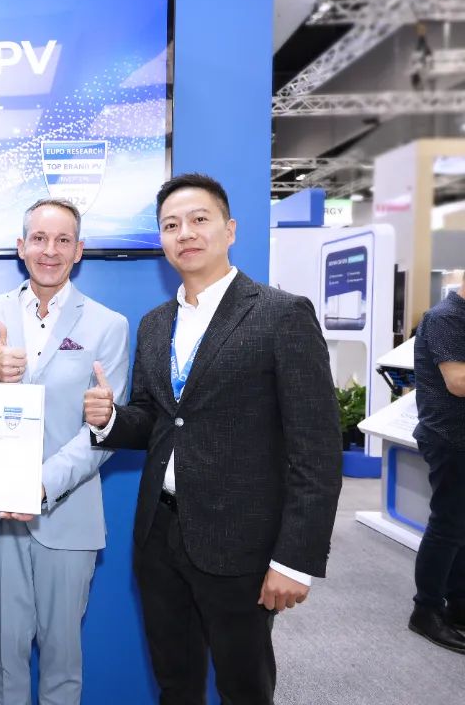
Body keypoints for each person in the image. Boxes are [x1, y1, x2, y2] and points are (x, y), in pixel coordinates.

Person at [84, 173, 342, 704]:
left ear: (230, 229)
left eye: (199, 220)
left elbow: (317, 450)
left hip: (241, 543)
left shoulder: (280, 314)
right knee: (175, 683)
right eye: (170, 225)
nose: (185, 233)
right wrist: (111, 419)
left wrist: (294, 560)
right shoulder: (155, 324)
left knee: (243, 688)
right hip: (160, 534)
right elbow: (158, 420)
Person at [0, 197, 129, 704]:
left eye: (62, 240)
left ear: (79, 250)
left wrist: (40, 484)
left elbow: (103, 432)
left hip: (68, 514)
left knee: (62, 658)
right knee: (5, 656)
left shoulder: (108, 325)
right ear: (21, 246)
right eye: (39, 239)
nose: (49, 250)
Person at [408, 279, 465, 654]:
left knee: (460, 527)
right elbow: (458, 381)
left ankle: (457, 604)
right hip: (450, 439)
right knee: (448, 526)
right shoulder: (446, 318)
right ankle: (426, 610)